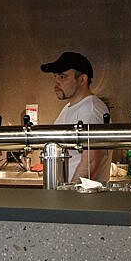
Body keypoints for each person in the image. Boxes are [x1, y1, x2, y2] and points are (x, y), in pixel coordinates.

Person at [40, 51, 112, 184]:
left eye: (63, 77)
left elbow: (90, 162)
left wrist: (70, 191)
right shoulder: (69, 107)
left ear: (82, 79)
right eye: (55, 76)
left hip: (81, 195)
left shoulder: (90, 109)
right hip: (68, 192)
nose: (56, 82)